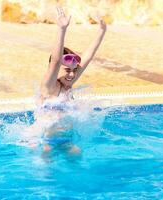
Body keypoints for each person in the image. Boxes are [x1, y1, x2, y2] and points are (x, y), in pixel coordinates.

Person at [32, 6, 107, 154]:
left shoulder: (68, 85)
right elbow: (55, 60)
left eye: (74, 71)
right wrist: (62, 29)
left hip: (65, 139)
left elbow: (88, 57)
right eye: (67, 70)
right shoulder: (49, 88)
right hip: (43, 139)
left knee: (77, 155)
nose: (72, 75)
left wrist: (102, 31)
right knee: (46, 168)